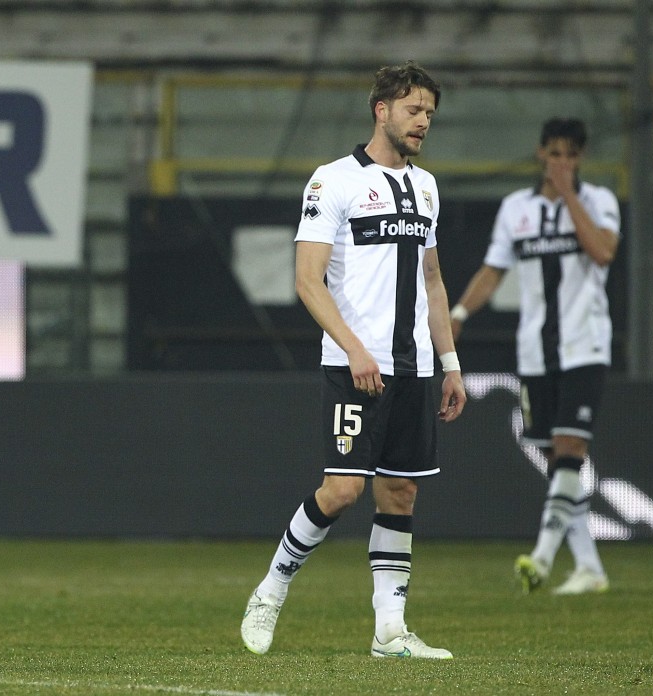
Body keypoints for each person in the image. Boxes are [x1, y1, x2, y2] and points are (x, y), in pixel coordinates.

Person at [240, 61, 466, 659]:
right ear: (382, 109)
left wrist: (450, 363)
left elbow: (434, 282)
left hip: (415, 366)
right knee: (342, 490)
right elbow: (307, 280)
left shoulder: (427, 187)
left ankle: (389, 630)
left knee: (399, 494)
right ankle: (271, 588)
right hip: (354, 365)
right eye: (414, 110)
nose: (423, 123)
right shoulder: (332, 181)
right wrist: (353, 348)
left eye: (429, 115)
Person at [450, 117, 618, 595]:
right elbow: (493, 269)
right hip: (535, 353)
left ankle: (542, 558)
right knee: (555, 459)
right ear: (541, 153)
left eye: (570, 154)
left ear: (580, 158)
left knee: (570, 450)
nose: (561, 162)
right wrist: (459, 313)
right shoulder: (515, 209)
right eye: (555, 153)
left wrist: (568, 196)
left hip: (584, 346)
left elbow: (603, 252)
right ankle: (589, 567)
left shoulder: (599, 201)